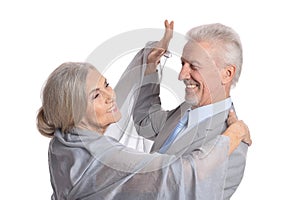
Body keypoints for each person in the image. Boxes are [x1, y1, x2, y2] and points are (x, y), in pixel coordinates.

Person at [36, 39, 251, 199]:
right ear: (74, 113)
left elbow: (147, 121)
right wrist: (234, 135)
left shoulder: (64, 140)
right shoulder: (101, 156)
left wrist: (149, 67)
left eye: (107, 85)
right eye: (96, 95)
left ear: (227, 74)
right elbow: (180, 175)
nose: (111, 95)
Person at [133, 20, 250, 199]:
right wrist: (150, 66)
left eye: (194, 66)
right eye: (183, 64)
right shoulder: (187, 109)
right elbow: (145, 123)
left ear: (226, 74)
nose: (182, 76)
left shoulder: (232, 145)